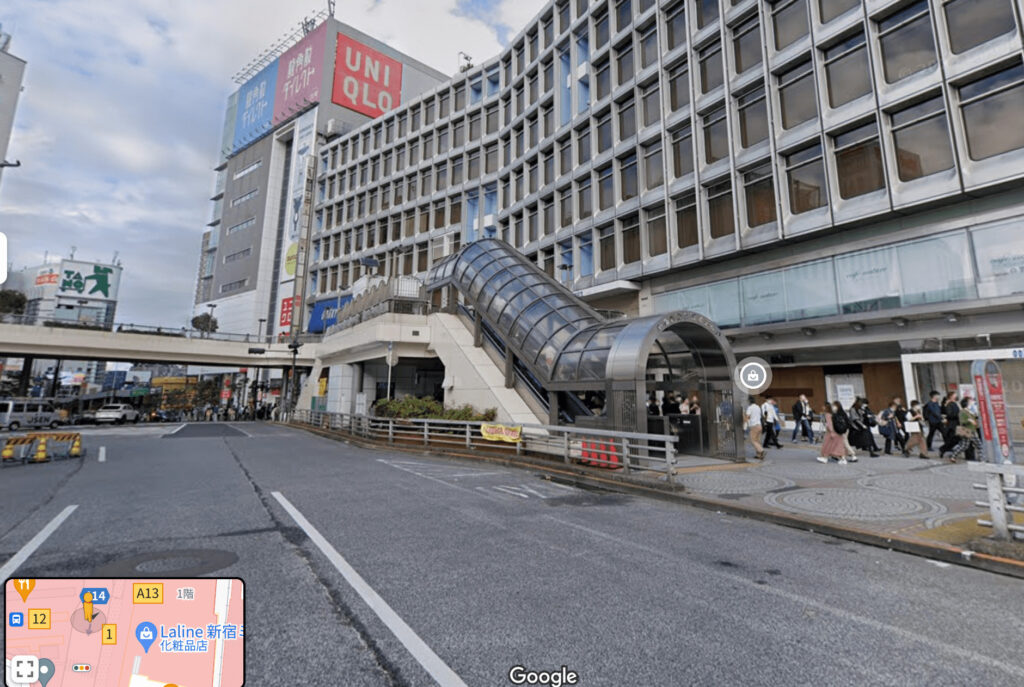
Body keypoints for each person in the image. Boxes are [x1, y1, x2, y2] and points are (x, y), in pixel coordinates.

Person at [939, 391, 961, 457]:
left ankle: (944, 449)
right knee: (954, 439)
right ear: (951, 396)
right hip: (952, 425)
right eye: (955, 394)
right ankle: (943, 449)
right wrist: (958, 415)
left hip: (956, 424)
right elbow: (949, 414)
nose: (956, 395)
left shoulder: (955, 403)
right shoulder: (949, 404)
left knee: (956, 439)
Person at [745, 396, 764, 460]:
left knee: (753, 440)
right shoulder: (758, 407)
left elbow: (747, 417)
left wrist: (747, 425)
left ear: (749, 401)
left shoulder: (750, 408)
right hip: (759, 425)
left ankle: (761, 450)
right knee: (757, 441)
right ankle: (758, 455)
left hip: (754, 426)